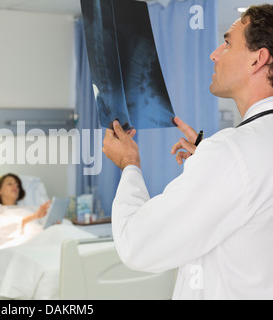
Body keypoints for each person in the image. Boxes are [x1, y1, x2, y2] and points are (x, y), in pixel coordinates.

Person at [102, 4, 273, 299]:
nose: (214, 54)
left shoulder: (232, 151)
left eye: (228, 42)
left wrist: (129, 164)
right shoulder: (245, 148)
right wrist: (209, 159)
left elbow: (137, 245)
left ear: (258, 59)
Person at [0, 173, 51, 245]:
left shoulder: (30, 208)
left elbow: (45, 224)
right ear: (0, 191)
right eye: (9, 184)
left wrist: (54, 224)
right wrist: (33, 217)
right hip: (22, 242)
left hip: (44, 237)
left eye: (17, 185)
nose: (15, 186)